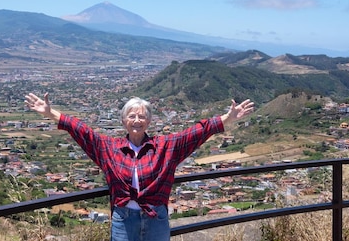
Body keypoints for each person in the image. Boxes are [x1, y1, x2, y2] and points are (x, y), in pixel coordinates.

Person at [24, 92, 255, 241]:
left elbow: (198, 131)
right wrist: (50, 113)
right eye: (131, 116)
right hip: (123, 219)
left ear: (149, 121)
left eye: (141, 116)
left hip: (156, 217)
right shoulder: (109, 148)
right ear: (124, 121)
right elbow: (81, 130)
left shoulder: (165, 146)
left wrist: (228, 118)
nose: (137, 120)